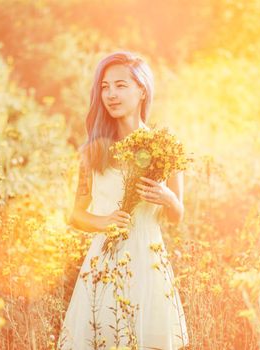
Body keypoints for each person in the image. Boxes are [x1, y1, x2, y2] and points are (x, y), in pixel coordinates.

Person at [58, 51, 189, 349]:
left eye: (120, 85)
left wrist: (167, 198)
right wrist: (105, 221)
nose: (111, 94)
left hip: (149, 259)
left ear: (142, 90)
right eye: (104, 87)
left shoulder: (165, 147)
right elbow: (75, 214)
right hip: (104, 261)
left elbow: (178, 215)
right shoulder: (93, 150)